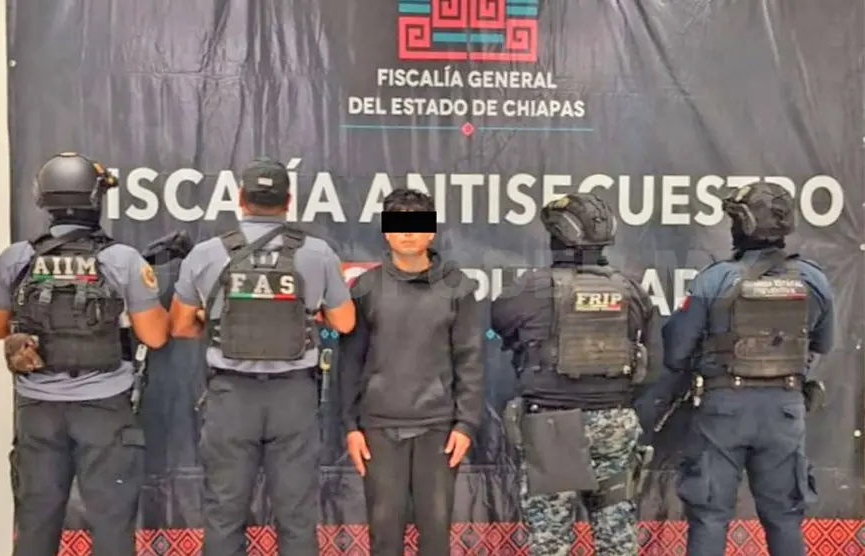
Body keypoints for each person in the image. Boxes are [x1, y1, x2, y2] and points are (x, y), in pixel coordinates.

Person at [0, 152, 170, 556]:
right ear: (96, 198)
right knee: (112, 525)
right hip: (105, 412)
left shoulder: (17, 258)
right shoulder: (121, 260)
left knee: (35, 522)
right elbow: (155, 337)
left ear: (43, 199)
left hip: (37, 411)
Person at [168, 157, 355, 556]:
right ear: (288, 201)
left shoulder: (206, 254)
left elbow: (179, 326)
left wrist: (210, 321)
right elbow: (345, 322)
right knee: (297, 517)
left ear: (240, 198)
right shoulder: (317, 253)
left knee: (224, 514)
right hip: (293, 399)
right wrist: (308, 314)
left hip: (231, 398)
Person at [662, 181, 833, 556]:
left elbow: (675, 352)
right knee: (785, 518)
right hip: (784, 410)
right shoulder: (814, 279)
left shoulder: (714, 279)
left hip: (724, 410)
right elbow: (823, 343)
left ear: (743, 224)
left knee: (709, 517)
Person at [491, 192, 654, 556]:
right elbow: (652, 360)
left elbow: (501, 326)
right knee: (617, 540)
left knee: (550, 542)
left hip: (553, 427)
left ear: (557, 235)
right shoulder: (630, 290)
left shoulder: (528, 289)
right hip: (614, 423)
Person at [338, 188, 484, 556]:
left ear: (430, 231)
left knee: (435, 535)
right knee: (384, 535)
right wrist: (351, 426)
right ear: (386, 232)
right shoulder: (365, 288)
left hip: (438, 428)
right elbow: (350, 361)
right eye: (398, 224)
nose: (407, 232)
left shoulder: (456, 286)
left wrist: (465, 424)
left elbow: (469, 359)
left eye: (416, 224)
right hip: (379, 428)